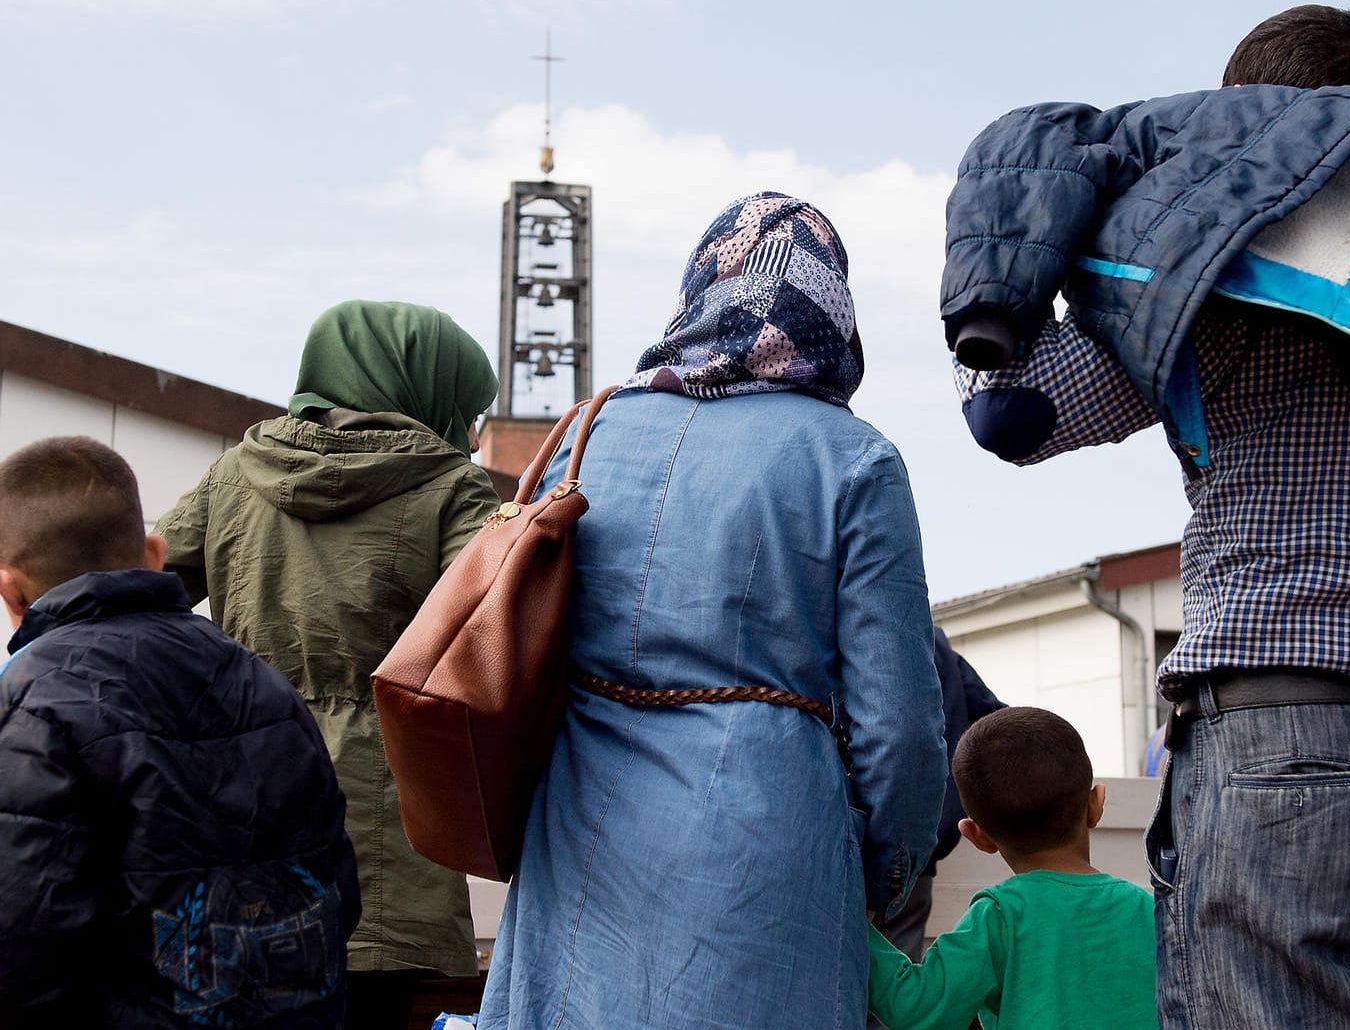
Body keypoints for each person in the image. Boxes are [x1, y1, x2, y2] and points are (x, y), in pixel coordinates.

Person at [941, 6, 1350, 1030]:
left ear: (1235, 123)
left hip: (1276, 755)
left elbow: (1017, 415)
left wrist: (1009, 254)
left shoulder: (1211, 271)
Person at [478, 192, 947, 1029]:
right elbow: (901, 728)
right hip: (766, 845)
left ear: (700, 285)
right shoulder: (857, 461)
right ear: (830, 309)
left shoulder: (590, 431)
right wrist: (877, 876)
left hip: (575, 835)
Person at [156, 300, 501, 1030]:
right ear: (425, 388)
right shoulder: (451, 489)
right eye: (467, 413)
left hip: (238, 810)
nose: (469, 436)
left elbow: (133, 587)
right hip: (389, 838)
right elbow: (489, 635)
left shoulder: (232, 476)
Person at [0, 436, 360, 1027]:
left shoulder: (34, 705)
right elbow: (335, 892)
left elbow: (21, 943)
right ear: (153, 554)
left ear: (10, 589)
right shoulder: (263, 684)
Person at [867, 707, 1156, 1030]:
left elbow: (917, 1007)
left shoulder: (1000, 916)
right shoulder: (1146, 909)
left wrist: (858, 925)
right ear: (1096, 804)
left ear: (977, 836)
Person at [876, 628, 1007, 967]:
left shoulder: (836, 636)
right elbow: (997, 721)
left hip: (852, 837)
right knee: (898, 986)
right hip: (924, 842)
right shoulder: (934, 644)